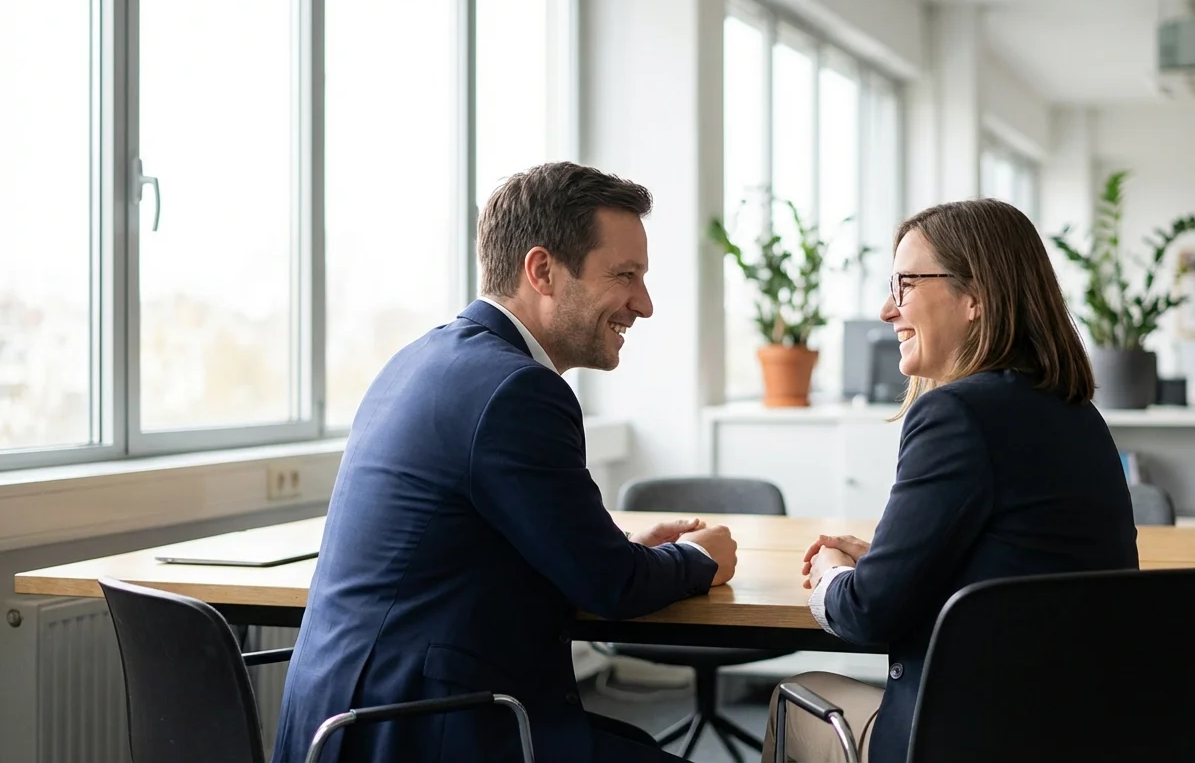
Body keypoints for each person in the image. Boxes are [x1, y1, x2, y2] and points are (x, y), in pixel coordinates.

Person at [271, 162, 738, 763]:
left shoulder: (421, 360)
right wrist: (699, 558)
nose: (643, 304)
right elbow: (612, 586)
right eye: (624, 275)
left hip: (344, 727)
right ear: (542, 270)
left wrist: (623, 550)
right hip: (424, 733)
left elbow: (527, 550)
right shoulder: (518, 391)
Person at [762, 199, 1140, 762]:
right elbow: (1024, 570)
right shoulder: (1074, 412)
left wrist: (832, 576)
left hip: (967, 737)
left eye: (906, 284)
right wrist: (894, 561)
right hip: (1080, 732)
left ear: (976, 297)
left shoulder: (956, 414)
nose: (888, 309)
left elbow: (868, 613)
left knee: (793, 701)